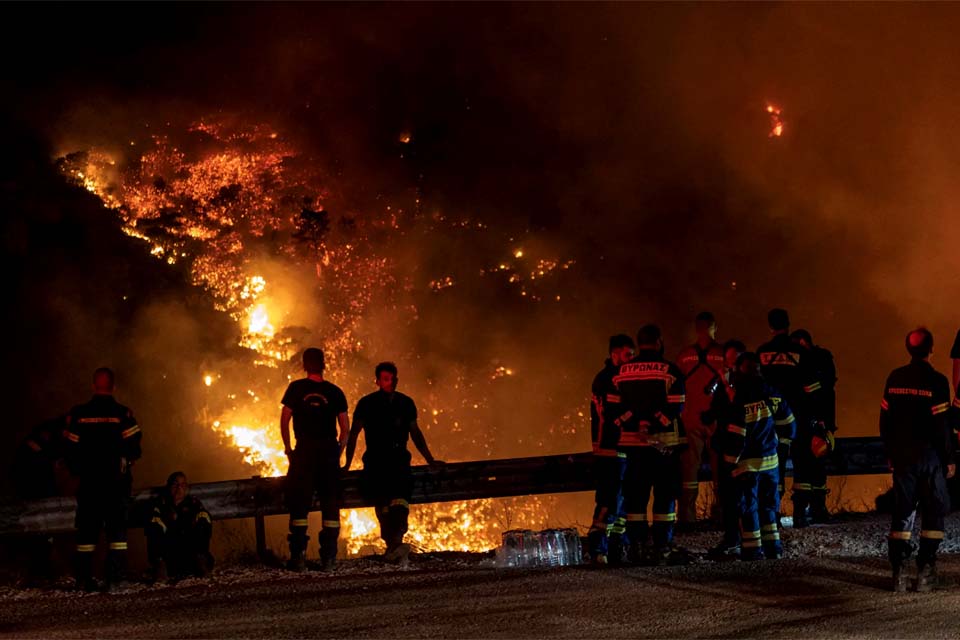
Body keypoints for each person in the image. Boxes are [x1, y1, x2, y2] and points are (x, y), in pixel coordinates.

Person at [345, 362, 442, 564]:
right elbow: (353, 434)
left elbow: (415, 433)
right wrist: (346, 463)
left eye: (394, 378)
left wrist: (430, 459)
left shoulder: (405, 403)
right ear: (378, 381)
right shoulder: (366, 404)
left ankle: (395, 545)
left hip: (399, 462)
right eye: (387, 379)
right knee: (382, 504)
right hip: (376, 463)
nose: (391, 382)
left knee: (400, 501)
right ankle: (394, 546)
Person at [880, 328, 955, 592]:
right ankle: (926, 571)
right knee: (933, 511)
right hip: (930, 456)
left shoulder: (895, 378)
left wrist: (890, 453)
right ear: (931, 349)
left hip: (903, 457)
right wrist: (949, 458)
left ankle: (899, 572)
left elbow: (885, 422)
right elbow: (942, 425)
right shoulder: (937, 381)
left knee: (903, 512)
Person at [606, 324, 688, 565]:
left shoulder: (620, 372)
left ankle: (637, 547)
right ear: (659, 342)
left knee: (635, 499)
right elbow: (676, 405)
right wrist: (654, 424)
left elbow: (612, 408)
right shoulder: (670, 371)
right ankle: (662, 547)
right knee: (664, 497)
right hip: (663, 448)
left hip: (633, 447)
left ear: (639, 343)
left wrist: (635, 424)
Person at [63, 367, 142, 592]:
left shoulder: (79, 414)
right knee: (117, 533)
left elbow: (69, 447)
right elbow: (135, 447)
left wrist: (77, 470)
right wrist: (126, 460)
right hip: (115, 485)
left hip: (89, 485)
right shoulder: (122, 414)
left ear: (93, 386)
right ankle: (115, 580)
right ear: (114, 387)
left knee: (86, 533)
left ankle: (83, 580)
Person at [719, 352, 796, 560]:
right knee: (768, 507)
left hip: (747, 467)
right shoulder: (773, 394)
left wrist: (728, 465)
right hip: (771, 464)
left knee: (749, 508)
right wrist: (775, 443)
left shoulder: (741, 400)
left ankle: (753, 551)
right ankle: (773, 549)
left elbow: (736, 439)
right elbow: (789, 426)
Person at [280, 347, 349, 572]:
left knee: (300, 504)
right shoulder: (335, 392)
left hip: (304, 454)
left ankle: (298, 558)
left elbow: (284, 420)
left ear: (304, 365)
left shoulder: (296, 388)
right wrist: (337, 454)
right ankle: (328, 559)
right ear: (324, 364)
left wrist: (289, 448)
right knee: (330, 505)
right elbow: (345, 430)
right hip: (328, 454)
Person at [756, 309, 823, 528]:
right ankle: (800, 515)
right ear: (789, 324)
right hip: (800, 416)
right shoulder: (801, 353)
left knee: (775, 466)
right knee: (802, 465)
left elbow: (758, 387)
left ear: (769, 326)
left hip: (772, 419)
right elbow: (813, 389)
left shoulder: (762, 353)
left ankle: (772, 514)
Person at [587, 334, 635, 564]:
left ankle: (617, 549)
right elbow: (611, 415)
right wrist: (636, 416)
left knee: (623, 501)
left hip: (625, 448)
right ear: (614, 354)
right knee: (609, 500)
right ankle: (598, 549)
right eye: (627, 354)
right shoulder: (605, 379)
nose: (631, 359)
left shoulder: (624, 377)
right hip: (609, 449)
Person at [675, 312, 725, 528]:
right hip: (717, 419)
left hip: (690, 419)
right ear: (714, 328)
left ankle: (687, 517)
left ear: (697, 329)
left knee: (689, 470)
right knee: (720, 468)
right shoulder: (723, 353)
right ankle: (722, 514)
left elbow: (676, 385)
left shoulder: (684, 356)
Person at [703, 339, 746, 559]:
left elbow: (736, 403)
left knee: (740, 495)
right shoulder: (724, 382)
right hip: (724, 444)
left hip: (740, 449)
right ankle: (732, 538)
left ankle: (742, 539)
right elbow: (718, 407)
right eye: (726, 361)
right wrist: (709, 416)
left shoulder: (747, 382)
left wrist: (724, 382)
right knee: (728, 495)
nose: (727, 365)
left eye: (732, 360)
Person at [791, 329, 839, 523]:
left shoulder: (810, 361)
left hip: (808, 422)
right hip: (818, 421)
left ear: (802, 342)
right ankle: (813, 510)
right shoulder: (823, 359)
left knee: (807, 466)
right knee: (814, 466)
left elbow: (819, 390)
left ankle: (804, 512)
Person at [11, 417, 65, 584]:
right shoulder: (38, 446)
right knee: (39, 538)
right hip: (35, 495)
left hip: (35, 496)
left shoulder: (38, 445)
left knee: (42, 537)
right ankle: (39, 571)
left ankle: (41, 570)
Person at [144, 471, 213, 582]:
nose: (179, 488)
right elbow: (155, 524)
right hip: (169, 555)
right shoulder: (160, 505)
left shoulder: (193, 504)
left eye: (182, 485)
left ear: (186, 488)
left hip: (190, 553)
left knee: (204, 518)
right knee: (154, 523)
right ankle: (160, 567)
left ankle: (201, 562)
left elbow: (201, 521)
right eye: (175, 484)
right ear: (168, 487)